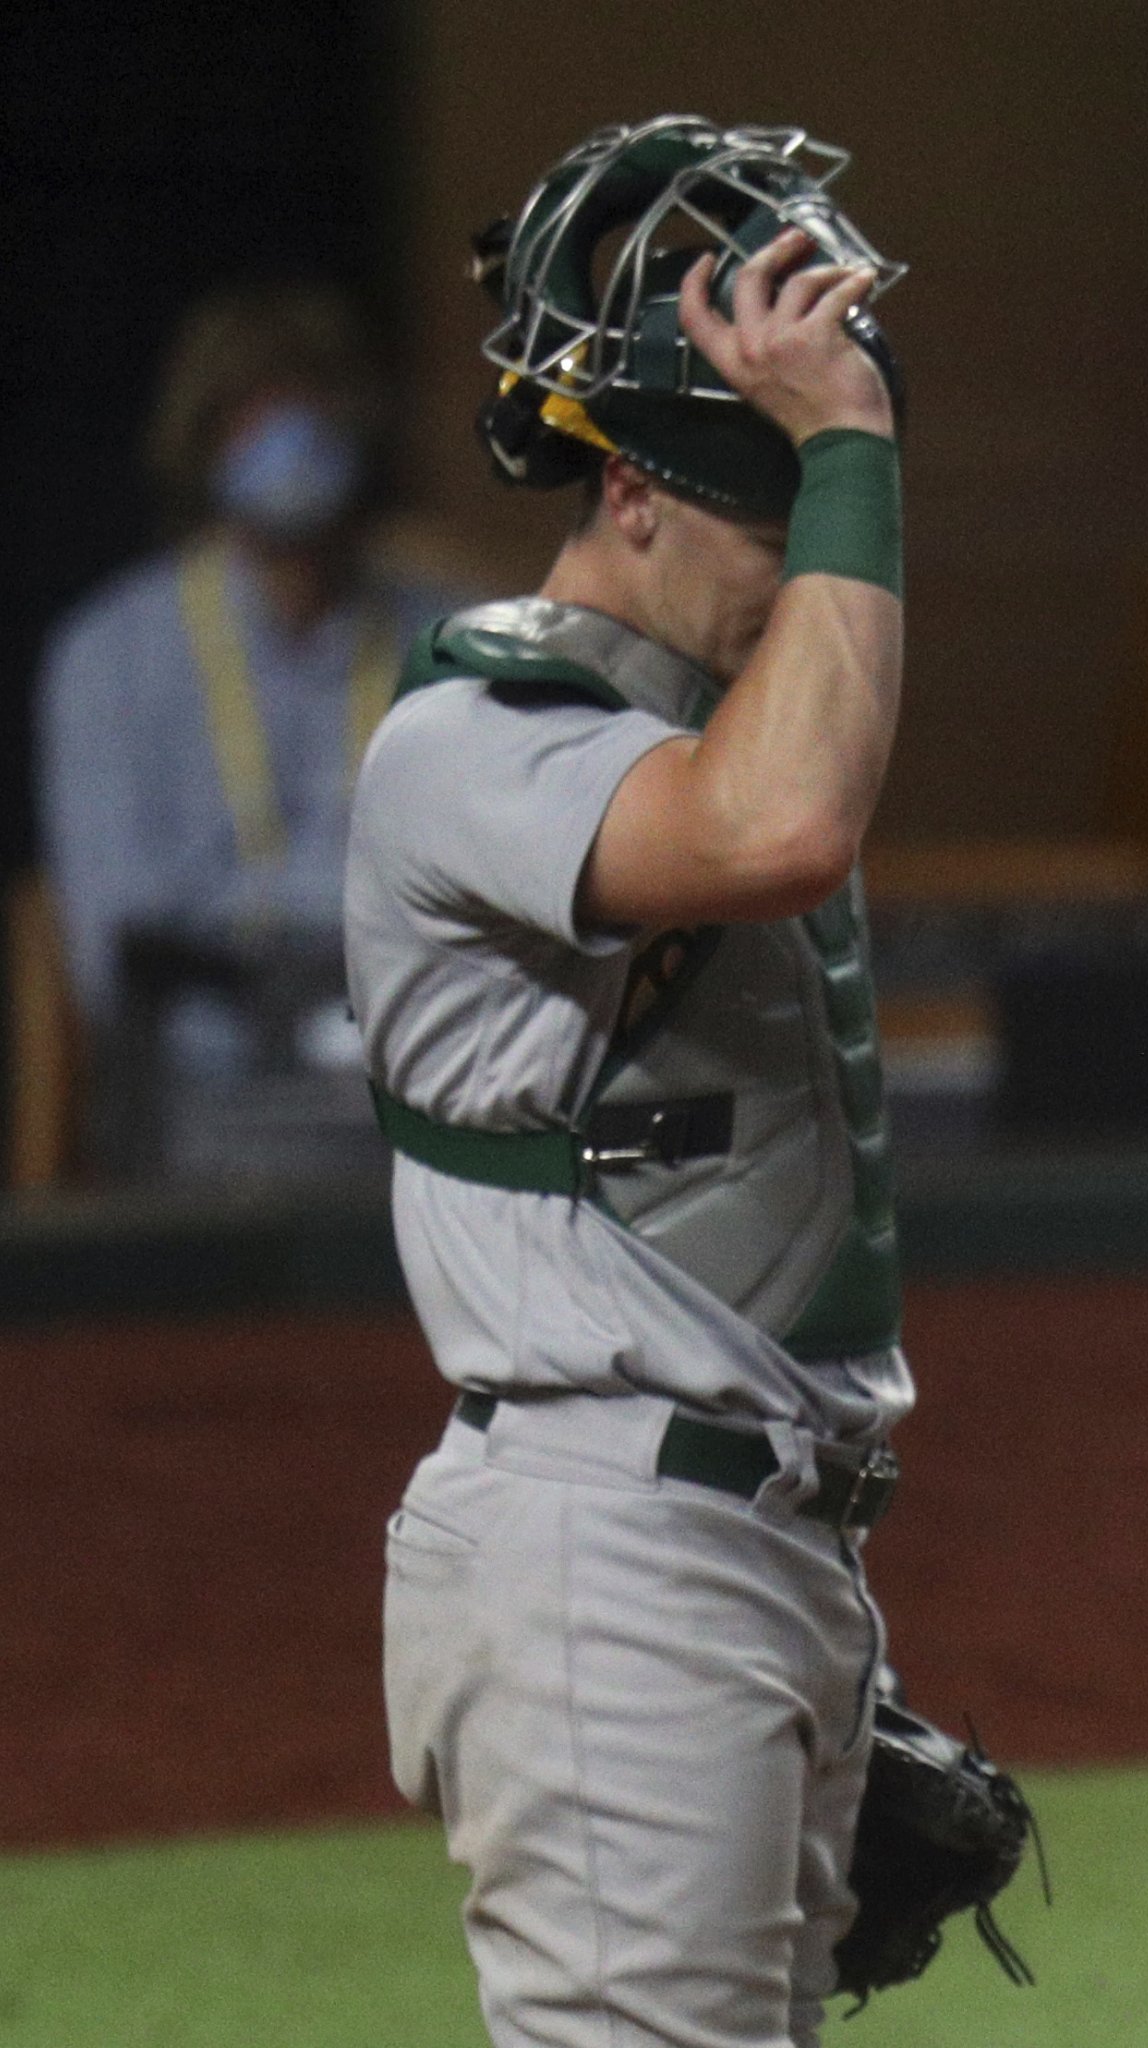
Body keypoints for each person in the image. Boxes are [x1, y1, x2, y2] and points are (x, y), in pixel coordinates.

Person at [350, 117, 914, 2047]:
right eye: (783, 531)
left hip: (760, 1541)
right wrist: (845, 446)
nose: (815, 587)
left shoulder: (675, 726)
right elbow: (781, 828)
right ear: (638, 499)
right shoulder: (473, 739)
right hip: (613, 1541)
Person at [38, 286, 460, 1083]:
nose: (288, 446)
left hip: (412, 1076)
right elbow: (115, 952)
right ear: (203, 442)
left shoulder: (449, 643)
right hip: (203, 1097)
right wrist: (283, 1045)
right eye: (253, 420)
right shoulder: (107, 658)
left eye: (313, 413)